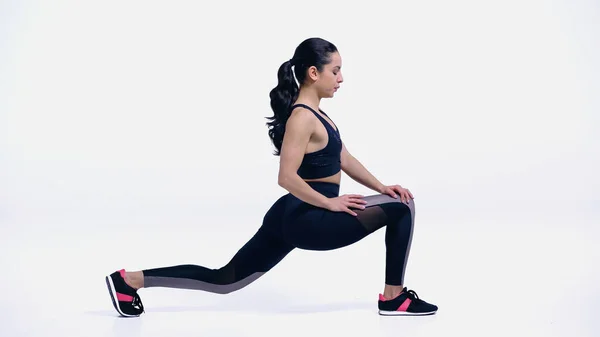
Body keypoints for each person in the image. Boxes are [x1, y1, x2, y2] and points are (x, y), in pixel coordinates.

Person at [105, 37, 438, 317]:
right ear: (313, 73)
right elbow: (286, 177)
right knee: (402, 209)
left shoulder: (320, 115)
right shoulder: (301, 118)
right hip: (306, 216)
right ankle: (393, 297)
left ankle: (129, 280)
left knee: (225, 280)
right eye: (335, 70)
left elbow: (344, 158)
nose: (341, 78)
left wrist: (381, 186)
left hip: (294, 214)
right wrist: (330, 203)